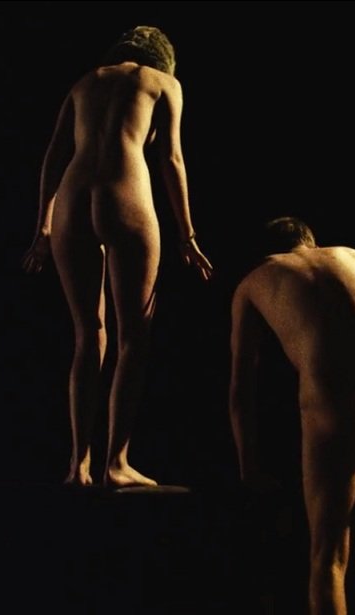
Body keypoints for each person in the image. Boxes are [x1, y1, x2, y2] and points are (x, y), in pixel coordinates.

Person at [23, 26, 213, 488]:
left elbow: (53, 155)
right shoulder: (163, 83)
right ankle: (116, 462)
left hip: (72, 200)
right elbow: (171, 158)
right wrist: (187, 233)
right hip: (124, 195)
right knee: (133, 337)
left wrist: (43, 226)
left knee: (88, 334)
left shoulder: (86, 81)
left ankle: (78, 465)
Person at [228, 217, 355, 615]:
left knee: (327, 558)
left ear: (267, 252)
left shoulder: (253, 280)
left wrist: (249, 469)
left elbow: (242, 390)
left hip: (334, 398)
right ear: (311, 243)